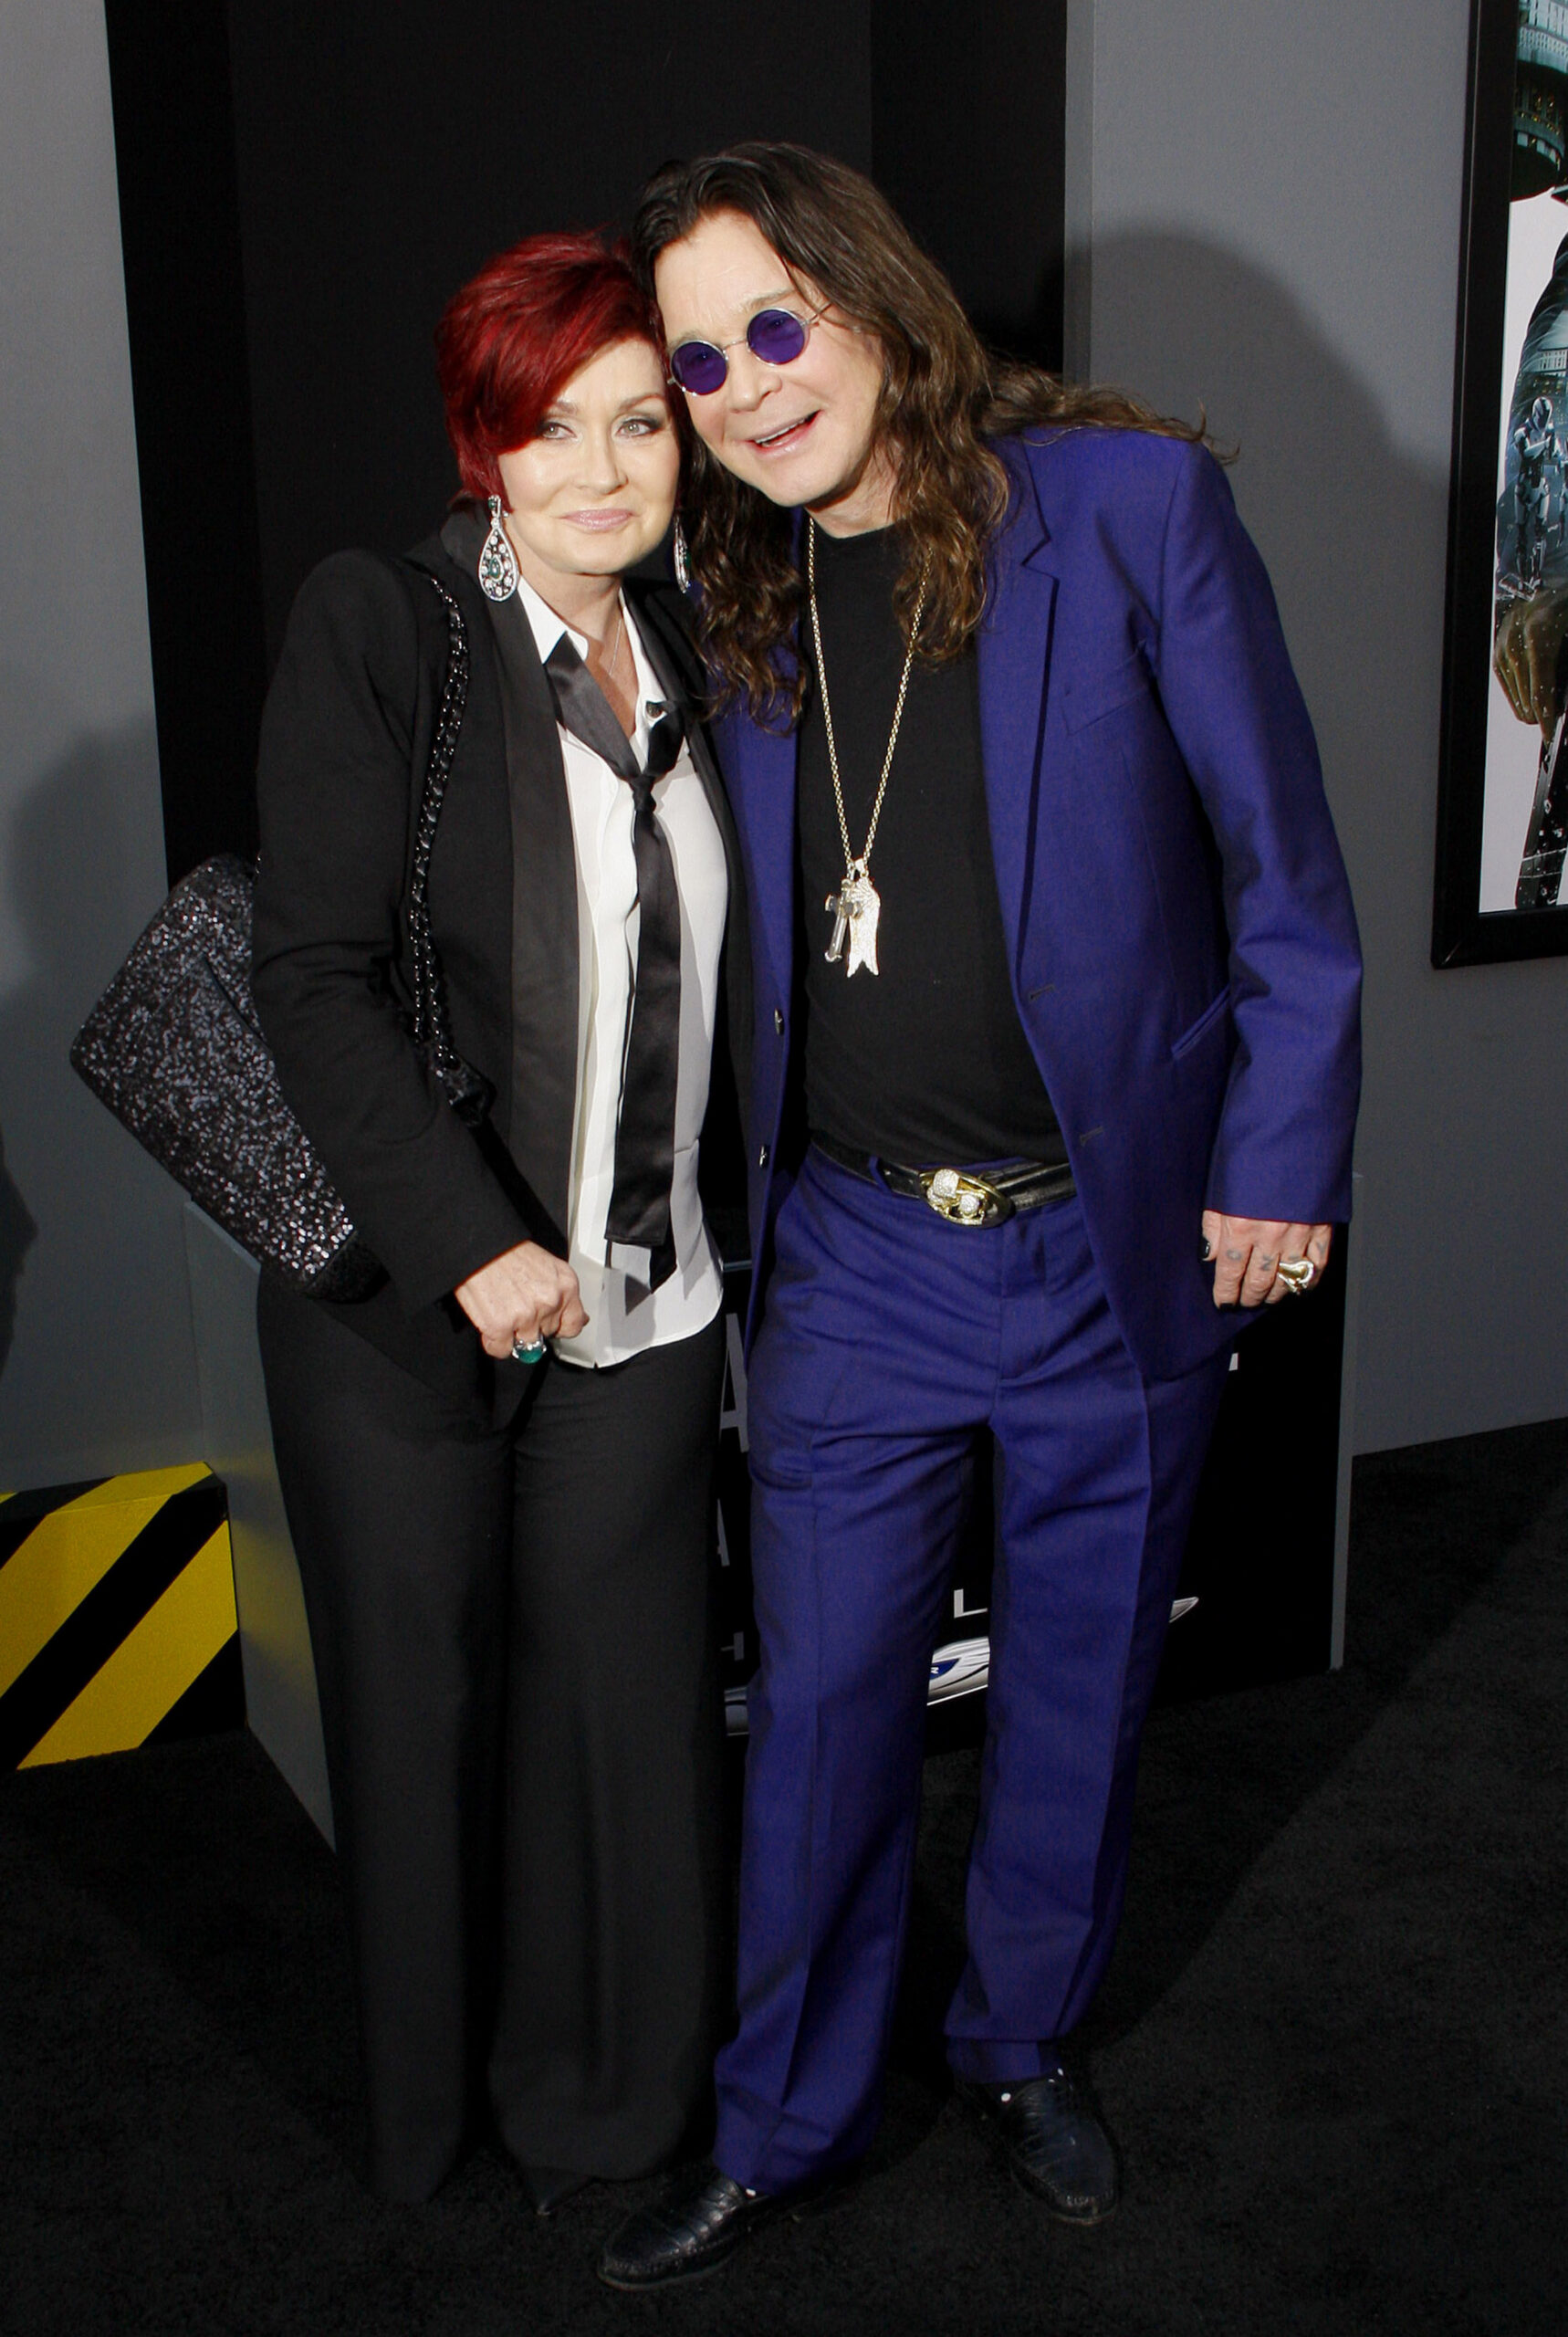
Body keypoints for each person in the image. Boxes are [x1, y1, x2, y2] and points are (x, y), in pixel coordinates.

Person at [598, 143, 1362, 2290]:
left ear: (866, 296)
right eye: (700, 358)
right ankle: (781, 2116)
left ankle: (1021, 2038)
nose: (748, 387)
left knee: (1082, 1690)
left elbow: (1286, 886)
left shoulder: (1124, 510)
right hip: (849, 1259)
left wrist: (1276, 1166)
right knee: (824, 1713)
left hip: (1103, 1247)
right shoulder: (722, 597)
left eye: (775, 323)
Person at [250, 231, 749, 2206]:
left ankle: (612, 2106)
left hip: (646, 1302)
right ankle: (426, 2131)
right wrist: (473, 1242)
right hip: (419, 1309)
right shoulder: (389, 626)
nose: (603, 470)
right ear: (483, 443)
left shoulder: (710, 640)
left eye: (638, 422)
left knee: (625, 1732)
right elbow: (309, 975)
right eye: (551, 430)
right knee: (427, 1715)